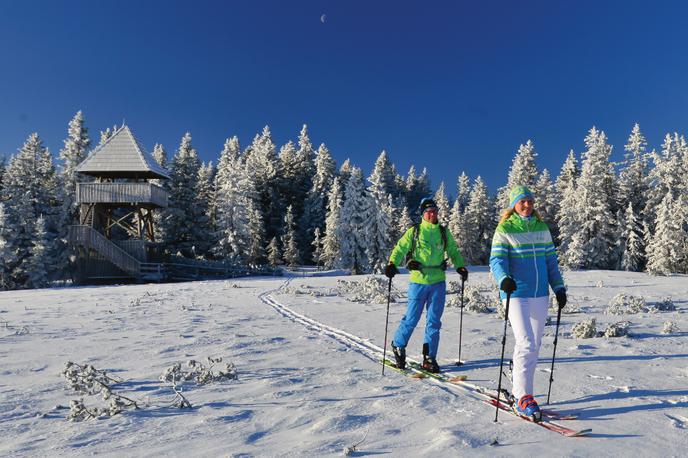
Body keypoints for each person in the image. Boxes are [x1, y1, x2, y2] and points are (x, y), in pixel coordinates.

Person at [489, 185, 567, 421]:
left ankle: (518, 376)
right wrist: (504, 280)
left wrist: (559, 287)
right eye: (522, 201)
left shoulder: (542, 228)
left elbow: (551, 262)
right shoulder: (505, 228)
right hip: (516, 293)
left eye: (530, 201)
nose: (527, 205)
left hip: (540, 294)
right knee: (525, 342)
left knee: (535, 344)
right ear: (514, 204)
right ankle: (523, 397)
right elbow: (497, 260)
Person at [384, 197, 468, 373]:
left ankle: (429, 357)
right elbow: (400, 248)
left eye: (435, 211)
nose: (432, 214)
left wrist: (460, 266)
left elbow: (453, 250)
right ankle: (398, 345)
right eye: (429, 211)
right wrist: (392, 264)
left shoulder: (443, 233)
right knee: (412, 318)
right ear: (423, 214)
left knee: (434, 321)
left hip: (438, 282)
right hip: (418, 281)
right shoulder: (415, 231)